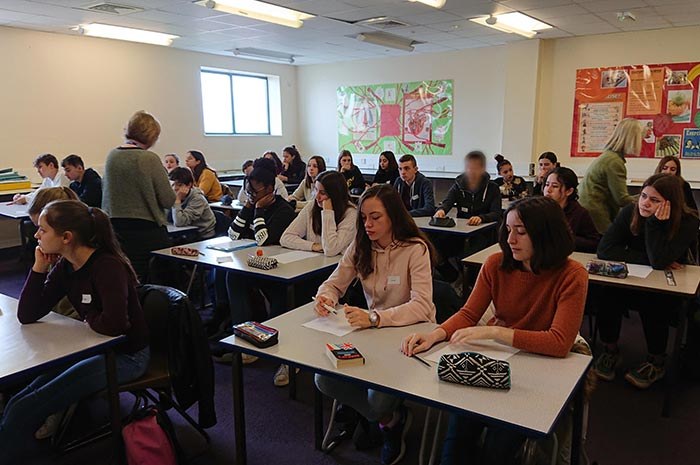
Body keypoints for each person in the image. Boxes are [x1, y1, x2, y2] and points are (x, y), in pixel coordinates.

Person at [401, 196, 588, 465]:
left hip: (542, 368)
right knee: (456, 443)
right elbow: (469, 313)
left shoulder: (572, 274)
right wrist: (434, 335)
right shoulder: (496, 264)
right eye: (508, 230)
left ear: (546, 235)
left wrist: (496, 333)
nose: (511, 239)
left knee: (497, 449)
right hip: (500, 361)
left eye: (521, 232)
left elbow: (559, 342)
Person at [1, 200, 149, 464]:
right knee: (18, 399)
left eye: (43, 230)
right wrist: (38, 268)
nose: (36, 235)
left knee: (23, 409)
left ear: (66, 237)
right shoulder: (66, 266)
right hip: (94, 347)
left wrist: (88, 317)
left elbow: (116, 324)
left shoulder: (107, 266)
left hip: (127, 356)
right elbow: (28, 314)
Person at [314, 184, 437, 465]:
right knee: (323, 379)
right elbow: (334, 283)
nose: (367, 224)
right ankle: (390, 419)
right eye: (364, 218)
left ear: (393, 216)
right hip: (372, 333)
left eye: (376, 217)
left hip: (409, 336)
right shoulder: (361, 246)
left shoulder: (415, 249)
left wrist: (375, 318)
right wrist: (325, 297)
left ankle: (378, 416)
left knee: (378, 399)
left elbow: (422, 306)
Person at [594, 174, 699, 388]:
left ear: (670, 204)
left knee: (654, 301)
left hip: (668, 288)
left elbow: (659, 260)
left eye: (654, 200)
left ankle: (656, 361)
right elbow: (604, 250)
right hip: (635, 278)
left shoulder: (688, 221)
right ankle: (611, 350)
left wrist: (653, 225)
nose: (645, 203)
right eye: (643, 196)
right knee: (607, 293)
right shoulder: (629, 212)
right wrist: (647, 260)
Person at [224, 157, 296, 385]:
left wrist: (258, 211)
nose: (252, 195)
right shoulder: (251, 205)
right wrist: (248, 207)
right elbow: (233, 235)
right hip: (253, 266)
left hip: (280, 270)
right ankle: (246, 339)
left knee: (280, 295)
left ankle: (281, 351)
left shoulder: (283, 210)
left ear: (269, 188)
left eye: (256, 191)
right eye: (250, 190)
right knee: (232, 277)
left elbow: (263, 239)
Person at [102, 110, 176, 281]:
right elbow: (167, 200)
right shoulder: (149, 159)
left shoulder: (111, 156)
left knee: (127, 279)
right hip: (146, 231)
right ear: (151, 136)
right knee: (159, 278)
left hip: (115, 230)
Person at [579, 118, 640, 233]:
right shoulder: (615, 163)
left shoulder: (608, 156)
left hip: (586, 207)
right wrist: (643, 199)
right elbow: (622, 199)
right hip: (596, 211)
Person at [281, 170, 357, 256]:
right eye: (316, 190)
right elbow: (286, 237)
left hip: (337, 263)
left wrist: (328, 212)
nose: (317, 197)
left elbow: (330, 249)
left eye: (323, 193)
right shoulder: (312, 206)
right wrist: (313, 246)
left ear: (335, 195)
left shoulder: (351, 214)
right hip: (315, 260)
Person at [434, 150, 501, 226]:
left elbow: (496, 213)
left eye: (476, 168)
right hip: (462, 227)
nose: (472, 171)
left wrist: (482, 218)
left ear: (483, 169)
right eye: (470, 167)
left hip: (485, 228)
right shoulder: (458, 186)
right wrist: (441, 210)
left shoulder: (493, 188)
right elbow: (447, 202)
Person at [544, 167, 601, 253]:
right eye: (547, 184)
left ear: (569, 191)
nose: (548, 190)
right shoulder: (540, 209)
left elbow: (594, 243)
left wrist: (565, 238)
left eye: (555, 186)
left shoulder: (579, 213)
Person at [168, 167, 216, 240]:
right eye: (173, 184)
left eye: (179, 185)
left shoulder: (198, 199)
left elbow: (179, 222)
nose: (175, 188)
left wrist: (177, 201)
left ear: (189, 185)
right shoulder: (172, 194)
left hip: (202, 235)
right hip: (183, 234)